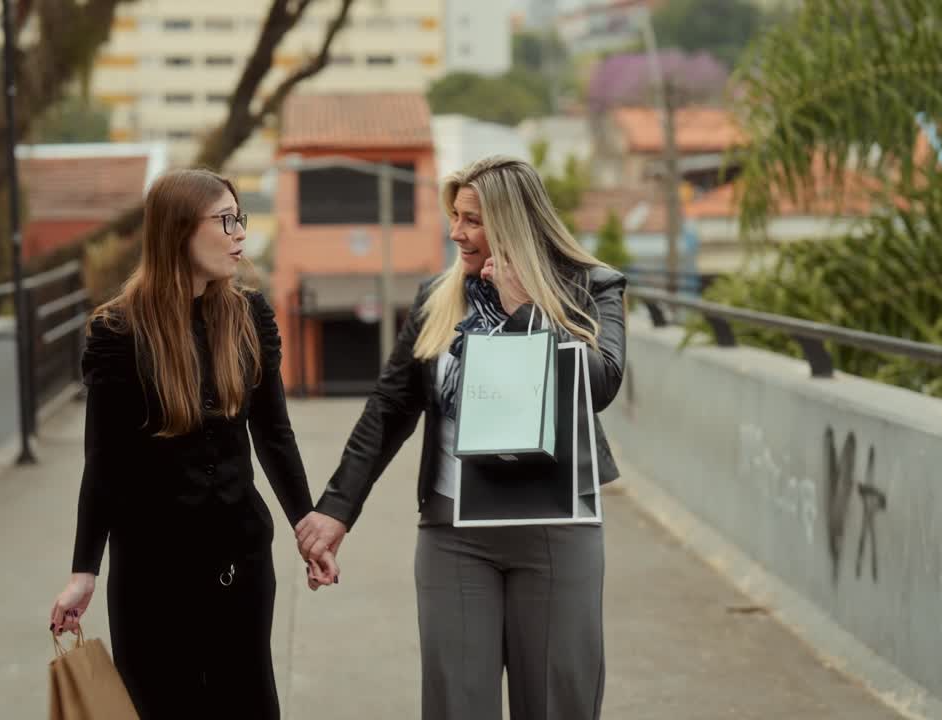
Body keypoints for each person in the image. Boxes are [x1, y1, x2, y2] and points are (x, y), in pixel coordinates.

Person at [296, 155, 628, 719]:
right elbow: (390, 406)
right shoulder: (438, 297)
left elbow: (600, 385)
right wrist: (336, 510)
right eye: (454, 216)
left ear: (511, 222)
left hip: (555, 528)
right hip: (454, 533)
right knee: (457, 706)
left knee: (557, 704)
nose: (457, 232)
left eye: (471, 219)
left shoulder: (590, 287)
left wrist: (525, 309)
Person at [49, 168, 337, 720]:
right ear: (180, 230)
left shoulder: (249, 316)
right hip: (151, 574)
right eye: (224, 220)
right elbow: (103, 463)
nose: (239, 235)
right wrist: (85, 569)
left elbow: (274, 433)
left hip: (241, 562)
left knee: (247, 705)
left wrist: (309, 528)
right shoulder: (120, 332)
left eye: (240, 219)